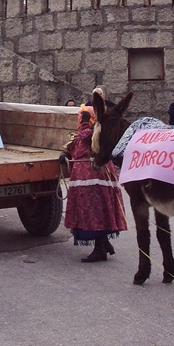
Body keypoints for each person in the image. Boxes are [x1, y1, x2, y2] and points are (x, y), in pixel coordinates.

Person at [60, 105, 127, 262]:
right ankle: (103, 242)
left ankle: (99, 248)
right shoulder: (90, 132)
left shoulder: (95, 132)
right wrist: (65, 153)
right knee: (96, 210)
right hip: (90, 179)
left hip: (94, 180)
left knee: (94, 211)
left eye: (82, 118)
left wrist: (85, 124)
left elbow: (85, 138)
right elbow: (77, 146)